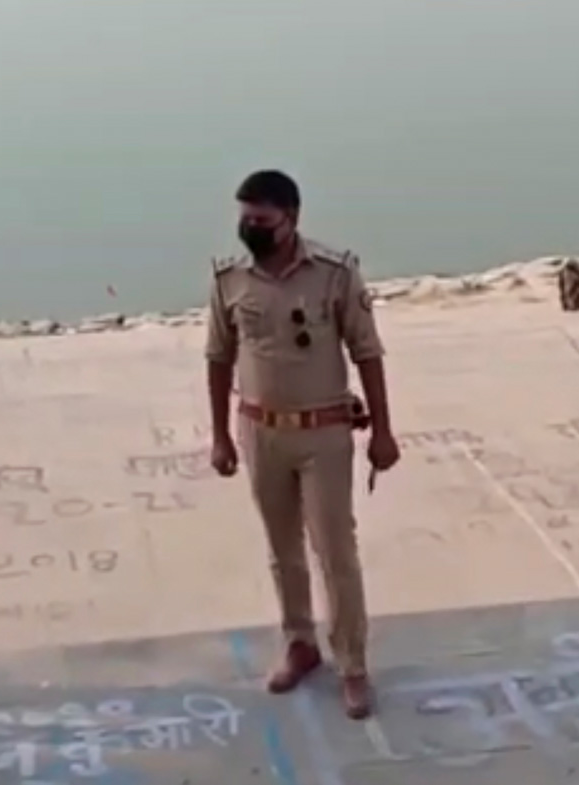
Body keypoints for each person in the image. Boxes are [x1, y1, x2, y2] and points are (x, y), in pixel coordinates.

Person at [204, 170, 400, 719]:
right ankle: (299, 643)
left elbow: (367, 352)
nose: (250, 228)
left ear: (291, 219)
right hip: (260, 431)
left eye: (262, 220)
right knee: (282, 549)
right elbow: (218, 358)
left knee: (335, 551)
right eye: (244, 218)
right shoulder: (229, 280)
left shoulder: (335, 274)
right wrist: (220, 436)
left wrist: (384, 431)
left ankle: (352, 664)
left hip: (324, 432)